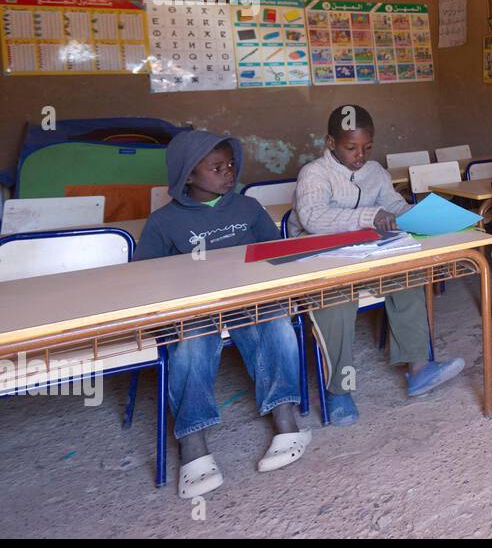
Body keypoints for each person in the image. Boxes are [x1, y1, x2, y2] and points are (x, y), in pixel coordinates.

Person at [135, 131, 309, 498]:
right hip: (195, 305)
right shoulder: (163, 222)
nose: (228, 173)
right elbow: (144, 275)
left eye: (230, 164)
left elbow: (274, 253)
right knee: (191, 344)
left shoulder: (247, 208)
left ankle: (285, 416)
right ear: (189, 176)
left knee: (276, 325)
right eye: (216, 167)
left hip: (247, 298)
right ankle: (193, 440)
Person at [290, 105, 463, 426]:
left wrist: (419, 213)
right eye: (351, 148)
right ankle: (339, 389)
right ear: (330, 142)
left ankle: (419, 369)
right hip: (321, 258)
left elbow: (394, 206)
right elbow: (314, 218)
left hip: (365, 253)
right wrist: (368, 216)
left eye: (367, 148)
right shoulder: (314, 174)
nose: (360, 156)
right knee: (336, 298)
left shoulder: (376, 173)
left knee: (408, 276)